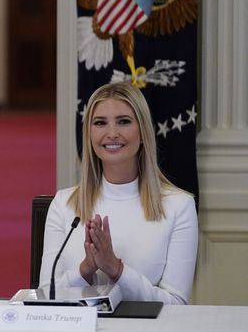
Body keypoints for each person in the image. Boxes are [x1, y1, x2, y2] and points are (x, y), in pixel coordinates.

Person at [39, 82, 197, 305]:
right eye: (100, 123)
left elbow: (176, 304)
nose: (111, 134)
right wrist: (85, 269)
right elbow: (44, 296)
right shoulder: (63, 204)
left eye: (123, 122)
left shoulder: (180, 206)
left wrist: (115, 269)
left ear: (142, 132)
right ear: (89, 135)